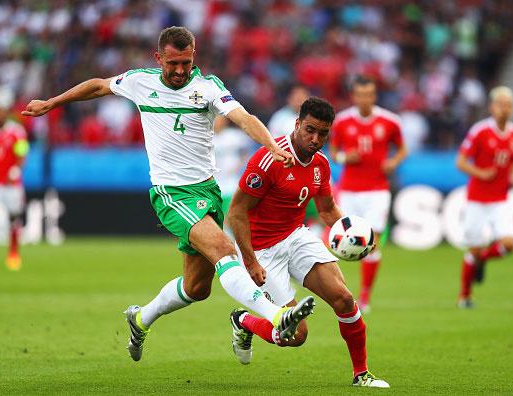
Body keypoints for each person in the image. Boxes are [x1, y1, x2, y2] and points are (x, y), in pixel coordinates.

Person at [22, 26, 314, 361]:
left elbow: (243, 117)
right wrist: (53, 102)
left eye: (185, 63)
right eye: (172, 63)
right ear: (158, 58)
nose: (178, 70)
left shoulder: (207, 87)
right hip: (171, 193)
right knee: (223, 249)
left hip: (207, 191)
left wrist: (270, 146)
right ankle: (278, 316)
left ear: (194, 57)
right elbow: (98, 85)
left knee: (196, 288)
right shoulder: (139, 81)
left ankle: (141, 318)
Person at [227, 97, 389, 388]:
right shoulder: (269, 159)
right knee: (296, 335)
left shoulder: (320, 164)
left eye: (323, 133)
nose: (316, 139)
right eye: (310, 130)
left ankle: (361, 374)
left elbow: (327, 209)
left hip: (296, 236)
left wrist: (354, 235)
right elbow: (236, 212)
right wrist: (249, 260)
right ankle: (243, 321)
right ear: (297, 124)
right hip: (263, 250)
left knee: (343, 299)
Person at [329, 76, 407, 313]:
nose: (365, 99)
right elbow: (334, 152)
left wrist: (393, 161)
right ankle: (335, 289)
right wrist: (344, 158)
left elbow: (402, 148)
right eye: (361, 94)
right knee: (337, 242)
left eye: (370, 94)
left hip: (377, 190)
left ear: (375, 96)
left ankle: (364, 296)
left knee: (372, 243)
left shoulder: (390, 121)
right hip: (350, 190)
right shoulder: (342, 121)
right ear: (354, 96)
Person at [456, 86, 513, 308]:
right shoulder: (480, 131)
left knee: (509, 244)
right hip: (477, 199)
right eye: (501, 104)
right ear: (492, 107)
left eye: (508, 105)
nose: (505, 109)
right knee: (473, 248)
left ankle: (482, 259)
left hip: (501, 199)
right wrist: (481, 173)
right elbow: (461, 161)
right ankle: (465, 296)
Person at [0, 104, 29, 270]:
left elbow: (22, 152)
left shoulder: (17, 132)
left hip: (11, 184)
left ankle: (13, 252)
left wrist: (16, 169)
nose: (0, 116)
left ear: (6, 115)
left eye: (2, 113)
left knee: (14, 219)